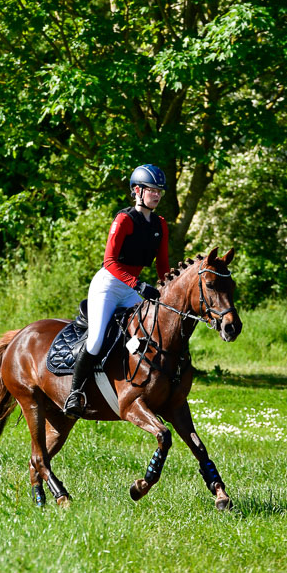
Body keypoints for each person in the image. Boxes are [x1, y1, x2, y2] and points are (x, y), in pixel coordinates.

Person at [63, 164, 170, 418]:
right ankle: (74, 394)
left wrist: (167, 293)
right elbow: (109, 262)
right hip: (108, 286)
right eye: (152, 190)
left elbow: (163, 266)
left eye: (160, 191)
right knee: (97, 339)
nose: (156, 195)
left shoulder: (161, 224)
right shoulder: (124, 219)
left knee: (145, 336)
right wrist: (138, 285)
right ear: (137, 190)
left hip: (133, 287)